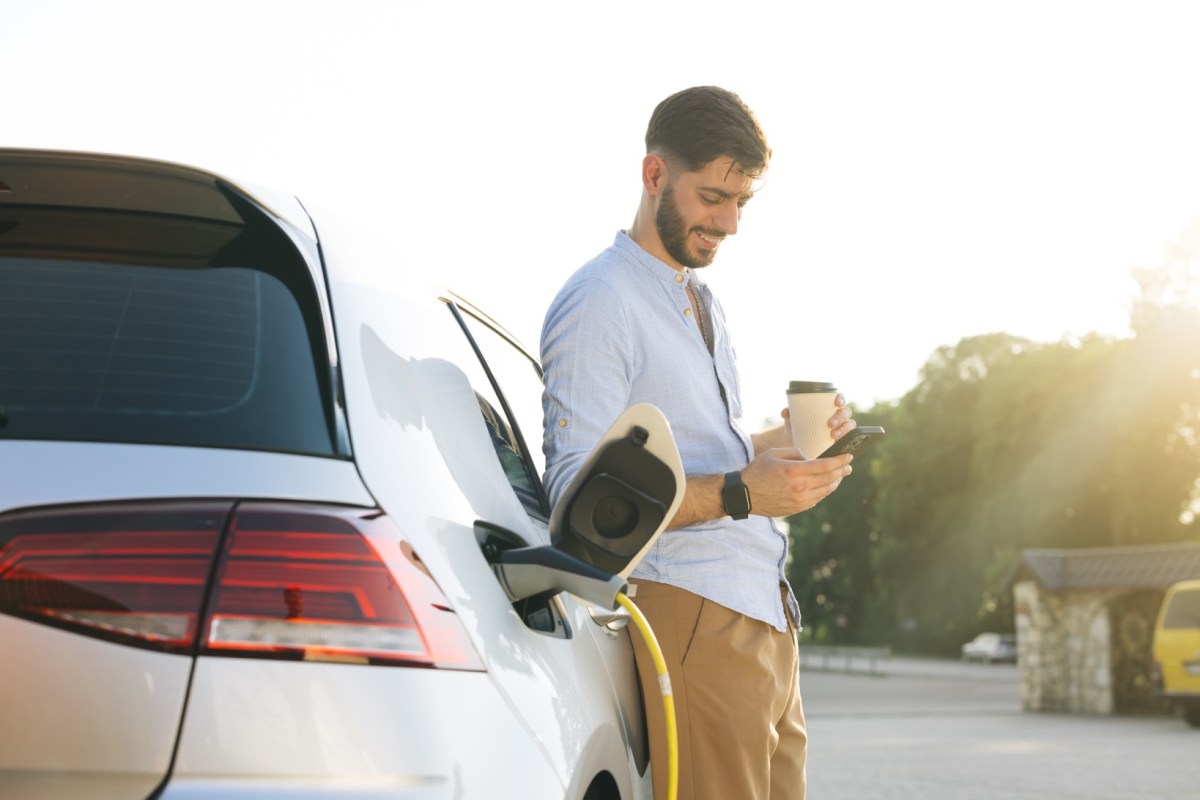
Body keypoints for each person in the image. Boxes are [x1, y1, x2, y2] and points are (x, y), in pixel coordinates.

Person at [540, 86, 857, 800]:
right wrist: (745, 493)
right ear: (654, 176)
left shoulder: (699, 298)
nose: (731, 222)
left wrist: (792, 441)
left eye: (743, 201)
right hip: (690, 615)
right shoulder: (600, 301)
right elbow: (579, 502)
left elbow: (701, 446)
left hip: (764, 615)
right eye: (714, 196)